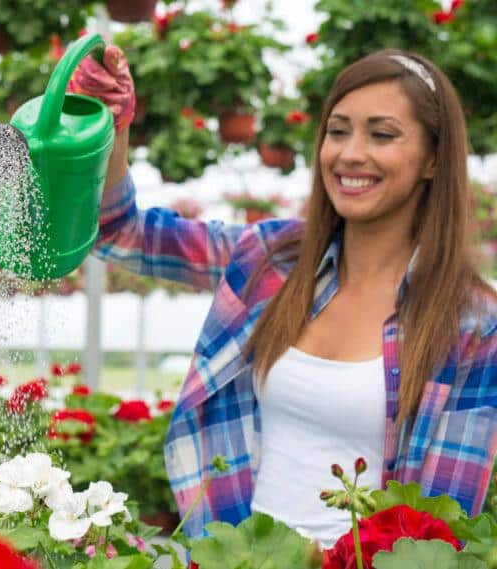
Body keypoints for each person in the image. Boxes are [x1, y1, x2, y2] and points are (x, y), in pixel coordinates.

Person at [69, 45, 497, 546]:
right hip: (231, 558)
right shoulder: (272, 259)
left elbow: (439, 536)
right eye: (338, 131)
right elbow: (123, 233)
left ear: (432, 159)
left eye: (382, 135)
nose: (350, 153)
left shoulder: (473, 325)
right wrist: (112, 127)